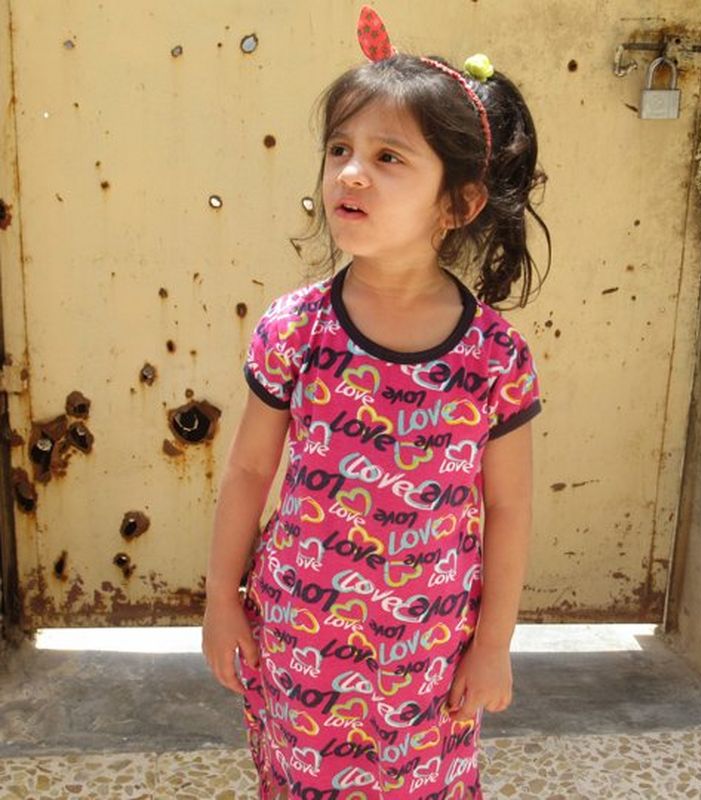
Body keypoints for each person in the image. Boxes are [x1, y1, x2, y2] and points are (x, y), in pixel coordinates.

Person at [202, 6, 550, 799]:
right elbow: (251, 472)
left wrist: (492, 644)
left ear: (457, 204)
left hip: (431, 651)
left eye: (388, 156)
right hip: (300, 639)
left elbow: (512, 507)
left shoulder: (494, 358)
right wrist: (223, 602)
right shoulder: (296, 328)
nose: (350, 172)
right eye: (339, 149)